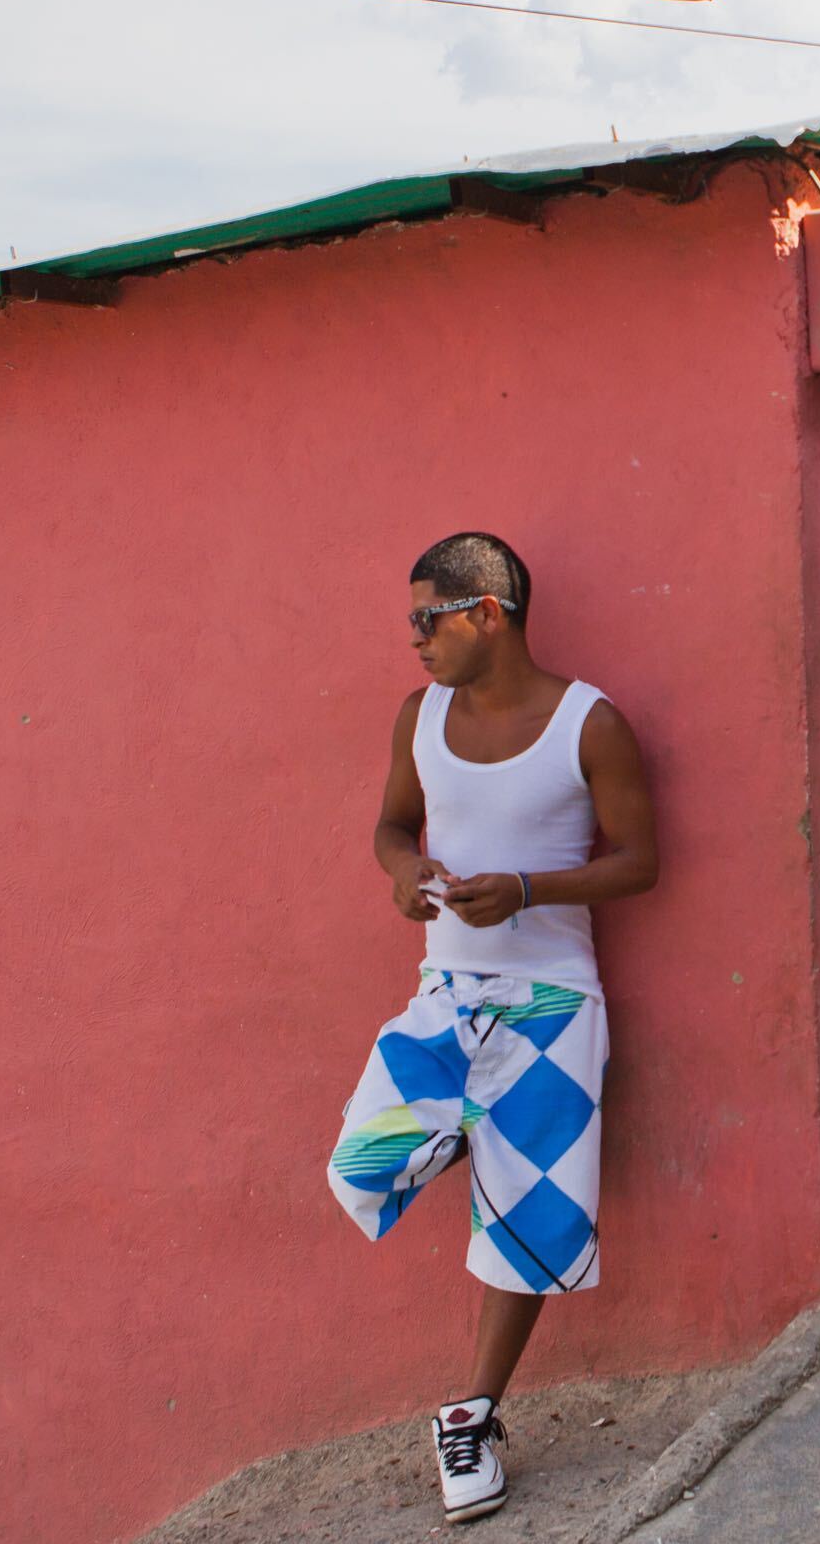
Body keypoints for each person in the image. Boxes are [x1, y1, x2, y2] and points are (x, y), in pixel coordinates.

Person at [328, 532, 661, 1525]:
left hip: (553, 1007)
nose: (414, 639)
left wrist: (527, 889)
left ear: (486, 614)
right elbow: (393, 825)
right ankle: (480, 1141)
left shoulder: (589, 724)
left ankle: (470, 1414)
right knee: (360, 1164)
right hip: (446, 995)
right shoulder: (420, 716)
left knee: (526, 1231)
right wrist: (404, 871)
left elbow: (640, 861)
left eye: (427, 619)